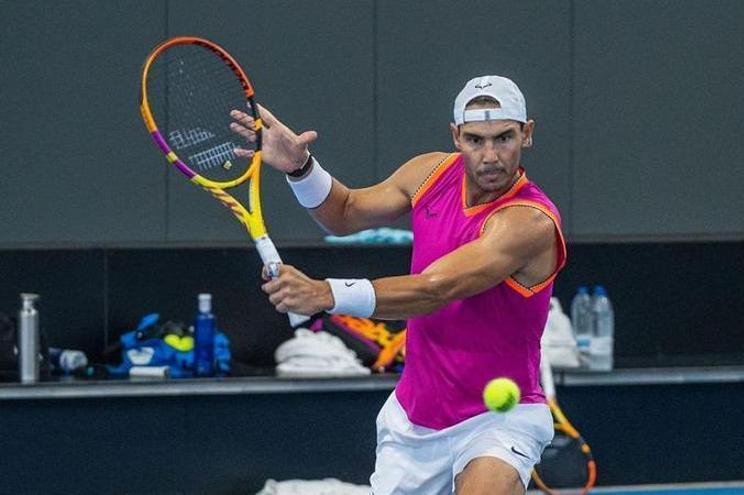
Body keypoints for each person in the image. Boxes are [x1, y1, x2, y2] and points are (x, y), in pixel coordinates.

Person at [231, 75, 567, 495]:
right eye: (476, 140)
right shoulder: (428, 173)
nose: (490, 156)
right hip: (415, 420)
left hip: (499, 418)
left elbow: (433, 290)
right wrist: (301, 168)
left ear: (527, 134)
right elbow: (346, 212)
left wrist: (325, 294)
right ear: (456, 136)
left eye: (504, 138)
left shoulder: (529, 221)